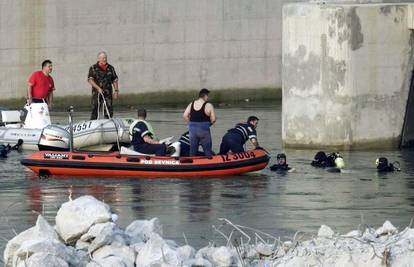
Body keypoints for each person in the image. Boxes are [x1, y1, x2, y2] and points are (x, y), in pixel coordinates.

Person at [183, 88, 216, 157]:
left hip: (192, 131)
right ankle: (209, 164)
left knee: (193, 150)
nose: (208, 97)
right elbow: (213, 119)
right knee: (207, 151)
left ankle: (191, 165)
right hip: (204, 130)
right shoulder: (208, 105)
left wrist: (190, 124)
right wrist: (209, 124)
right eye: (207, 96)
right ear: (205, 96)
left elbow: (185, 115)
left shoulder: (191, 104)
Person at [88, 51, 119, 120]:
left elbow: (115, 80)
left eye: (105, 58)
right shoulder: (93, 68)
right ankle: (93, 121)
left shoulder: (111, 68)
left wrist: (116, 91)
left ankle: (108, 120)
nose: (105, 59)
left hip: (108, 92)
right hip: (97, 93)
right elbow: (90, 80)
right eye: (103, 58)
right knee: (95, 108)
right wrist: (98, 88)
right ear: (99, 59)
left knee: (109, 108)